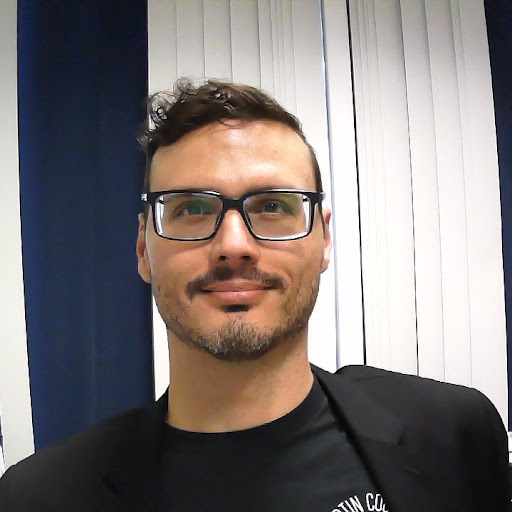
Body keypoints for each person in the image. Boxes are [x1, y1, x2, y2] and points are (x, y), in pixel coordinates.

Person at [0, 79, 508, 511]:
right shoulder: (38, 498)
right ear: (142, 249)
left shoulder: (455, 433)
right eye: (191, 209)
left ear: (323, 238)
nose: (234, 245)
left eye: (272, 206)